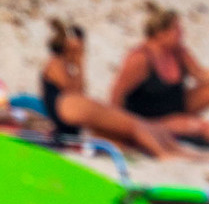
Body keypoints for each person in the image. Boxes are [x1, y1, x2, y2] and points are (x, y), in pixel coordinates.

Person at [110, 5, 209, 153]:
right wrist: (118, 132)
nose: (181, 33)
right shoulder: (140, 58)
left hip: (175, 105)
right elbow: (117, 93)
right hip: (150, 119)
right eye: (176, 29)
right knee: (201, 127)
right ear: (160, 33)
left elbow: (201, 75)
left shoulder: (179, 52)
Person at [39, 20, 185, 159]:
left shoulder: (67, 65)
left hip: (70, 110)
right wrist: (78, 61)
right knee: (132, 125)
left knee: (124, 130)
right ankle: (163, 153)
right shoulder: (55, 62)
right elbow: (71, 93)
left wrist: (79, 63)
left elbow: (79, 92)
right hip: (66, 109)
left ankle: (169, 149)